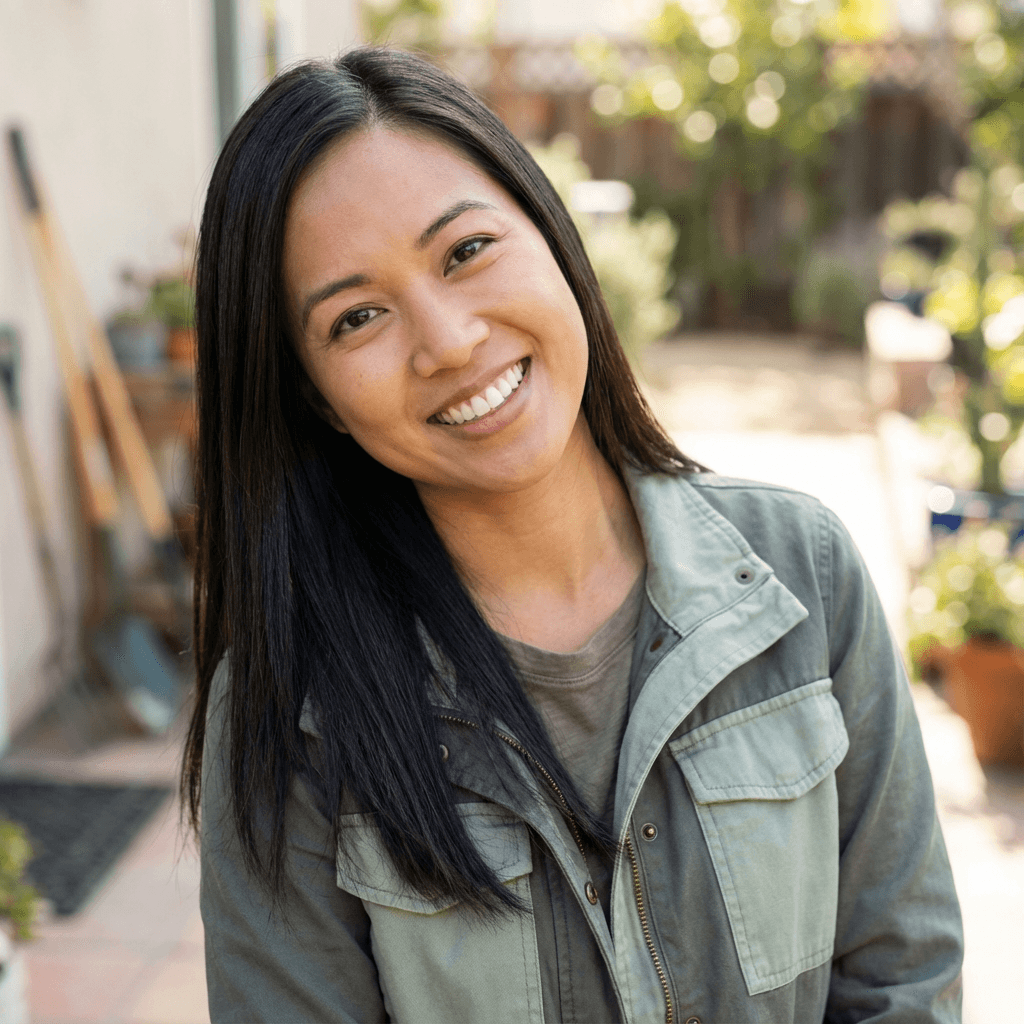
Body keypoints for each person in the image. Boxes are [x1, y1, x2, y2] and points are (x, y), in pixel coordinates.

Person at [183, 46, 963, 1024]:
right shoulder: (289, 708)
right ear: (317, 398)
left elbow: (904, 983)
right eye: (358, 317)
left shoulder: (802, 575)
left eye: (465, 251)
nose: (450, 341)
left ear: (550, 234)